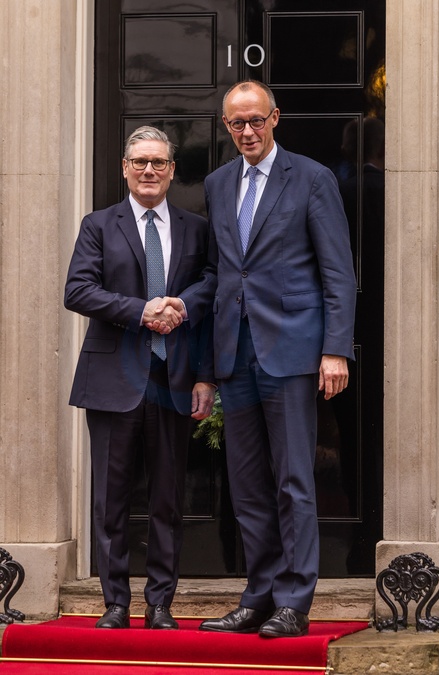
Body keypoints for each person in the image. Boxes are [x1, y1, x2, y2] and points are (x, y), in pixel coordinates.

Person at [160, 80, 357, 638]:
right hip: (234, 353)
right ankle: (259, 595)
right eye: (236, 123)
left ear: (275, 118)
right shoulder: (219, 183)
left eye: (255, 120)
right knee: (246, 485)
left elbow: (338, 271)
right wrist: (196, 342)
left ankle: (294, 602)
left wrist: (335, 348)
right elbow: (221, 273)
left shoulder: (312, 178)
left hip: (291, 350)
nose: (246, 131)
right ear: (226, 126)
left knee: (293, 480)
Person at [64, 126, 215, 630]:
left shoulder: (196, 228)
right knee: (110, 498)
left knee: (167, 498)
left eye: (158, 162)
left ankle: (160, 603)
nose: (149, 170)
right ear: (125, 169)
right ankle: (114, 603)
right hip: (112, 380)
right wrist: (141, 310)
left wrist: (183, 309)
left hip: (173, 380)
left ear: (172, 170)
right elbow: (78, 290)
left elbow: (212, 285)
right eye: (140, 162)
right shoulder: (98, 225)